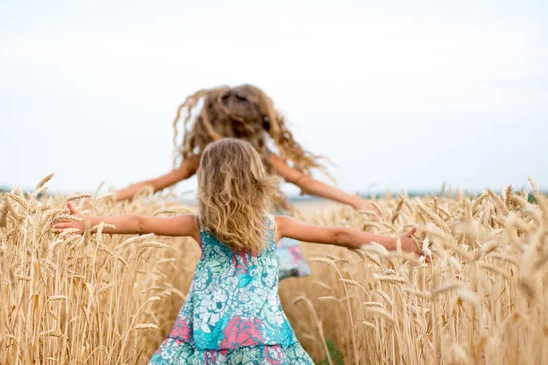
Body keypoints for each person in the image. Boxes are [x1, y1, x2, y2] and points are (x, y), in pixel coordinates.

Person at [55, 139, 420, 365]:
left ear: (207, 182)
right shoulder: (276, 224)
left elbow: (138, 222)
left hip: (212, 329)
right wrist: (396, 243)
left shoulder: (197, 224)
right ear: (257, 178)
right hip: (261, 328)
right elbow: (340, 234)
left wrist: (91, 222)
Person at [95, 84, 377, 280]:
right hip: (262, 231)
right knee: (262, 288)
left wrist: (103, 202)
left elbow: (154, 184)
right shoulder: (262, 155)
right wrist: (354, 200)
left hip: (219, 229)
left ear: (211, 121)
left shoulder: (203, 156)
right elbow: (304, 182)